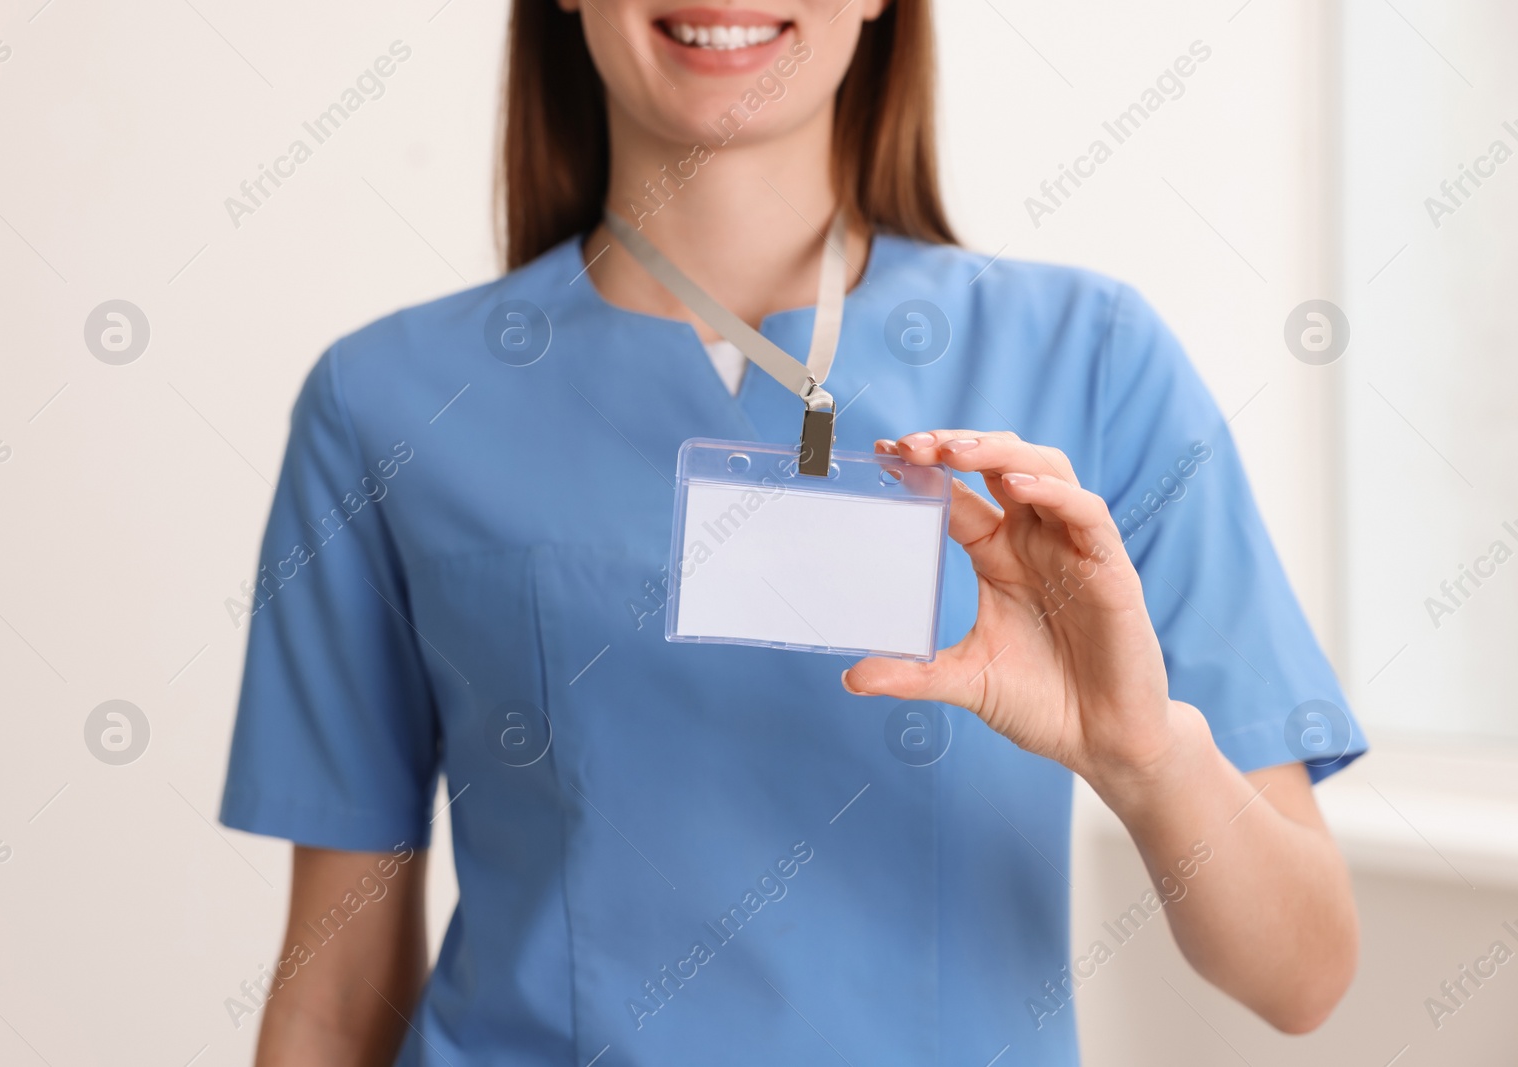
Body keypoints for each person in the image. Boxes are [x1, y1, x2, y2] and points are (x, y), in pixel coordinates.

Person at [219, 1, 1367, 1063]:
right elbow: (335, 981)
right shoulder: (387, 404)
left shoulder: (1095, 361)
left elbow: (1301, 975)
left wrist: (1146, 756)